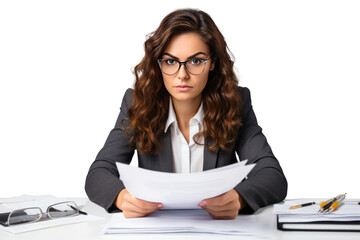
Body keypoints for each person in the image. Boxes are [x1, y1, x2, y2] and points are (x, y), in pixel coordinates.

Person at [85, 8, 287, 219]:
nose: (182, 75)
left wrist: (239, 198)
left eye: (196, 61)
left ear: (213, 63)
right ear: (158, 64)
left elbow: (272, 175)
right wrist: (122, 197)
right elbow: (99, 172)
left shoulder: (235, 103)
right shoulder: (137, 103)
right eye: (171, 61)